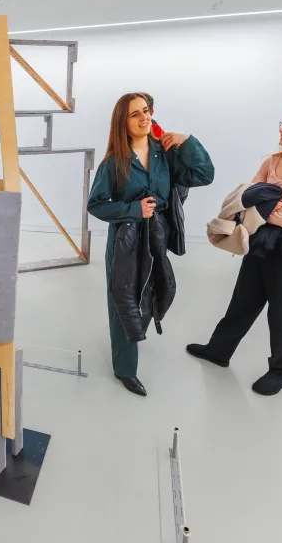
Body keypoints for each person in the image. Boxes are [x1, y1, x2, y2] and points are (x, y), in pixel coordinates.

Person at [88, 93, 214, 396]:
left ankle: (138, 332)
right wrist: (132, 210)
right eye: (135, 114)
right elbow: (96, 205)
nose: (144, 117)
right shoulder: (113, 162)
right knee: (123, 300)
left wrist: (188, 141)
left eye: (146, 111)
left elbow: (203, 175)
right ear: (123, 121)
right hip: (125, 241)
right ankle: (125, 369)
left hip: (156, 236)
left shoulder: (165, 154)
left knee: (156, 286)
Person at [187, 105, 282, 396]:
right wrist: (271, 201)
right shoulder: (271, 161)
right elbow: (245, 198)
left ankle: (280, 370)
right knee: (244, 300)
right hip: (261, 241)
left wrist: (267, 201)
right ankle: (218, 351)